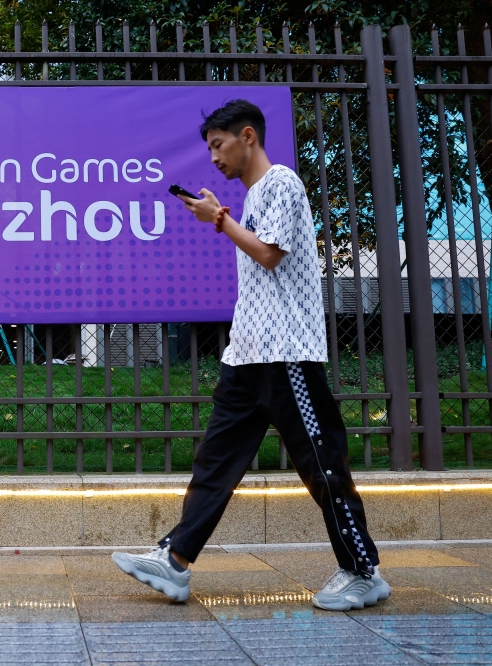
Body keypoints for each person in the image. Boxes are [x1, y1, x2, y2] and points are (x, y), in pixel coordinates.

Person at [112, 99, 391, 612]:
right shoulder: (255, 194)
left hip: (287, 354)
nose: (214, 157)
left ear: (248, 137)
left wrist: (218, 218)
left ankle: (362, 571)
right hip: (246, 356)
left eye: (218, 146)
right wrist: (225, 216)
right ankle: (174, 561)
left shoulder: (281, 182)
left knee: (323, 465)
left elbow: (269, 252)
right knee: (215, 463)